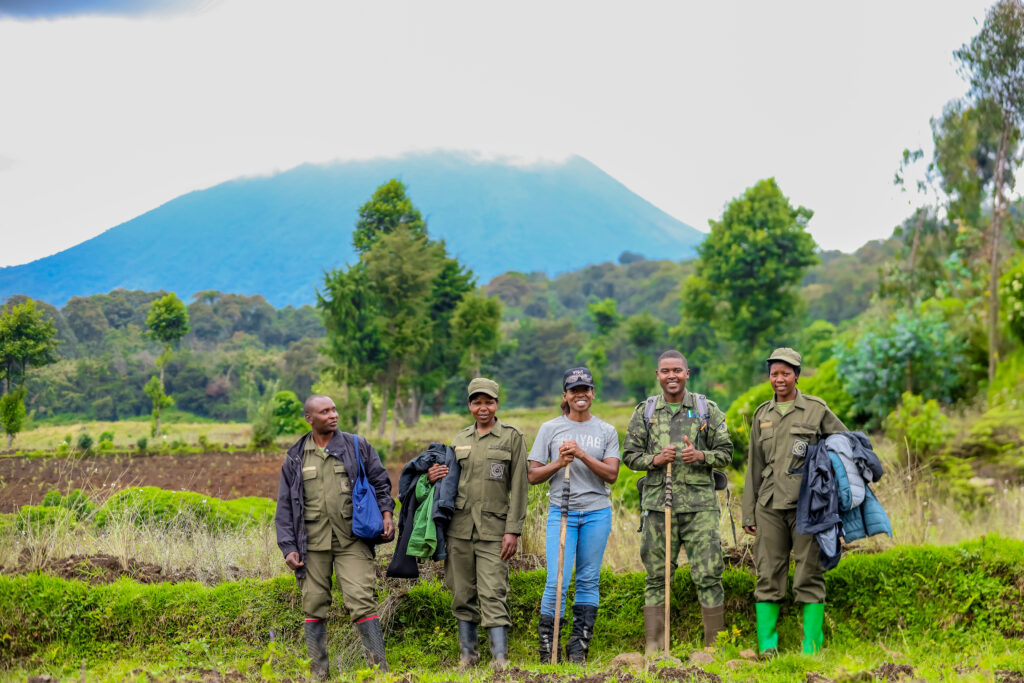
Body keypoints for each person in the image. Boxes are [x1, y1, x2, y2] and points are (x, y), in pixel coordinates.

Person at [274, 394, 395, 678]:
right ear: (309, 418)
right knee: (314, 603)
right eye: (325, 411)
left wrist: (387, 514)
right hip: (312, 543)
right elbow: (285, 505)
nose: (333, 415)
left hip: (352, 539)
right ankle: (319, 673)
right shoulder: (296, 455)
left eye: (334, 409)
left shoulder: (356, 445)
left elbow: (380, 482)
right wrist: (288, 547)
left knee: (361, 600)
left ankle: (379, 671)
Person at [622, 350, 733, 652]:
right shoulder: (645, 412)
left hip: (701, 509)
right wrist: (655, 459)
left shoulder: (705, 409)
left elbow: (726, 452)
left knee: (709, 575)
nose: (671, 376)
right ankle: (655, 649)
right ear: (657, 375)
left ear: (687, 373)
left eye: (677, 370)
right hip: (659, 507)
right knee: (657, 577)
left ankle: (715, 649)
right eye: (665, 371)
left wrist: (701, 456)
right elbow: (629, 456)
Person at [741, 348, 847, 657]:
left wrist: (830, 490)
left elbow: (843, 445)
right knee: (768, 573)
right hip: (769, 505)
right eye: (774, 373)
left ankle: (811, 649)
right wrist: (749, 511)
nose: (779, 379)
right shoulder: (762, 414)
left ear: (796, 376)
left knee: (808, 573)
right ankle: (767, 647)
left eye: (786, 373)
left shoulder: (816, 410)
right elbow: (754, 467)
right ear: (769, 377)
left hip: (808, 507)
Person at [427, 377, 527, 670]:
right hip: (458, 530)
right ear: (470, 405)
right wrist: (433, 476)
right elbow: (448, 485)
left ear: (497, 404)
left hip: (495, 531)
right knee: (461, 592)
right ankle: (467, 656)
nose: (483, 408)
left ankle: (500, 660)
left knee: (493, 590)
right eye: (477, 402)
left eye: (489, 402)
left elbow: (520, 487)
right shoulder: (459, 440)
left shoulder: (512, 437)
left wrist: (513, 530)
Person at [527, 366, 619, 664]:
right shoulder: (550, 429)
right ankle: (548, 651)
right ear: (565, 395)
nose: (581, 395)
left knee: (589, 580)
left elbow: (612, 474)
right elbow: (533, 475)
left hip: (596, 513)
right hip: (561, 512)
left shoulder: (606, 431)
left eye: (586, 389)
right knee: (557, 581)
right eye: (574, 390)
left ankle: (578, 649)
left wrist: (581, 455)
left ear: (592, 394)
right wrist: (558, 463)